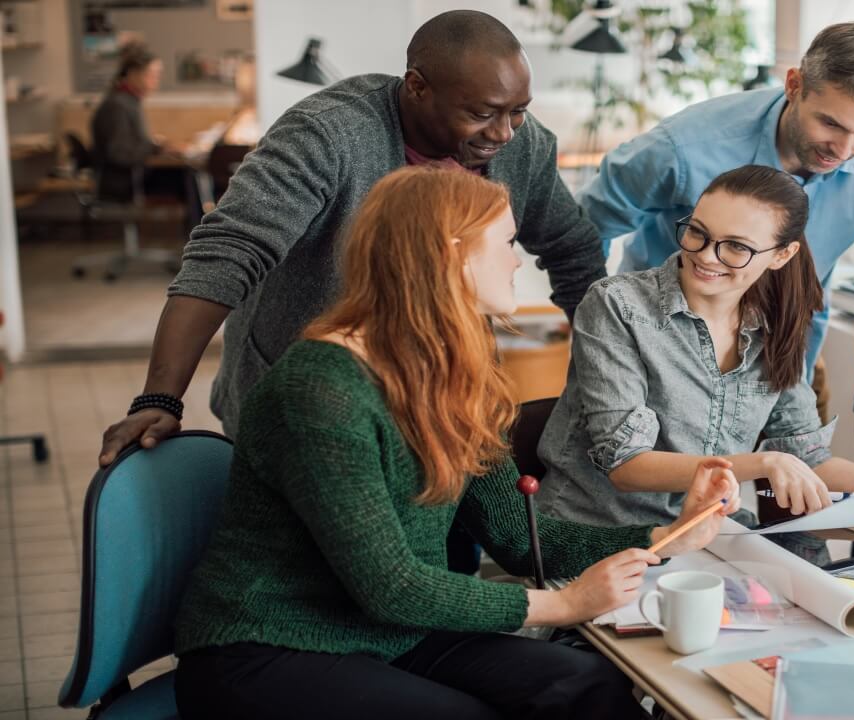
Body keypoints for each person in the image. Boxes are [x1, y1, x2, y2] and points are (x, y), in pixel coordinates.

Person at [172, 166, 740, 719]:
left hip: (391, 633)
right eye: (508, 241)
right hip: (269, 648)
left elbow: (518, 539)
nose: (517, 259)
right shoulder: (320, 390)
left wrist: (666, 536)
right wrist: (565, 605)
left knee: (585, 682)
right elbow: (393, 586)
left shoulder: (452, 371)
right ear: (451, 253)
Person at [97, 10, 604, 462]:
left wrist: (606, 382)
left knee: (449, 544)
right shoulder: (328, 135)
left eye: (517, 110)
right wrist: (160, 397)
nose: (504, 133)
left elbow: (573, 250)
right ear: (417, 87)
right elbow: (227, 255)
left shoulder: (521, 143)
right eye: (481, 114)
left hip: (442, 400)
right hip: (307, 400)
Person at [538, 165, 854, 564]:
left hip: (713, 541)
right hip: (599, 540)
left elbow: (810, 460)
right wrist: (764, 462)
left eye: (735, 247)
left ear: (782, 255)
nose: (705, 256)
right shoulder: (617, 305)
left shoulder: (776, 324)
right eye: (697, 232)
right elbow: (627, 465)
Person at [577, 21, 854, 422]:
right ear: (794, 85)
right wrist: (597, 332)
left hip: (790, 358)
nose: (844, 149)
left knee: (786, 477)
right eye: (830, 123)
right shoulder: (684, 147)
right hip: (659, 356)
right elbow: (586, 227)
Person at [90, 44, 188, 206]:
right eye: (152, 75)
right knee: (189, 179)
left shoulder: (128, 101)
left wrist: (155, 145)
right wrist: (155, 147)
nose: (156, 81)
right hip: (124, 181)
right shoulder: (118, 105)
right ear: (133, 74)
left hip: (130, 175)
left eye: (158, 75)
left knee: (188, 177)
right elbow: (119, 153)